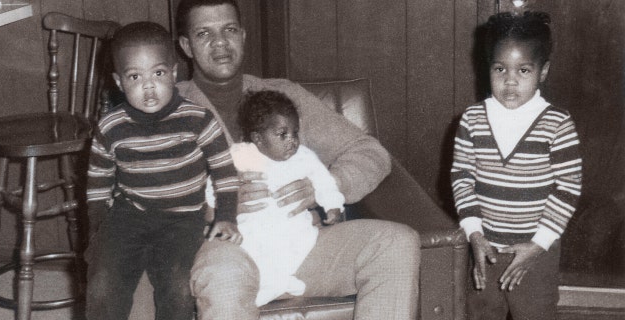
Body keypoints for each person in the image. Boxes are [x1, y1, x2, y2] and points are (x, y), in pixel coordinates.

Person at [175, 0, 421, 319]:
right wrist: (212, 209)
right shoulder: (166, 106)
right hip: (226, 252)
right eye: (204, 33)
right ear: (186, 45)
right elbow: (137, 199)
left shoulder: (283, 95)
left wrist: (327, 187)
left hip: (300, 248)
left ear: (244, 35)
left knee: (396, 242)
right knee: (223, 276)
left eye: (229, 30)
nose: (220, 42)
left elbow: (371, 153)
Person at [84, 22, 240, 320]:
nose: (148, 86)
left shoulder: (198, 119)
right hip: (129, 215)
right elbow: (98, 183)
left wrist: (226, 216)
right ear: (119, 82)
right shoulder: (110, 126)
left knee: (179, 286)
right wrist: (98, 230)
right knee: (102, 284)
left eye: (158, 73)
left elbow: (224, 172)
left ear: (174, 72)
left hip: (183, 218)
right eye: (134, 76)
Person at [451, 11, 583, 320]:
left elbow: (568, 188)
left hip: (537, 251)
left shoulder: (557, 124)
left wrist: (539, 245)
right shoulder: (472, 120)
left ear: (543, 71)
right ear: (488, 69)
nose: (510, 81)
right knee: (480, 314)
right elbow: (462, 178)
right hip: (487, 249)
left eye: (523, 70)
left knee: (535, 313)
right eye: (500, 69)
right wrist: (474, 233)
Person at [206, 90, 345, 307]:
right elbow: (215, 184)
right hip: (251, 228)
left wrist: (333, 205)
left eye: (295, 133)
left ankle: (278, 283)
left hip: (293, 227)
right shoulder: (239, 155)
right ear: (258, 139)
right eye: (282, 134)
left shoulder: (304, 157)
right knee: (248, 250)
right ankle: (272, 285)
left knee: (296, 246)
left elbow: (324, 181)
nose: (292, 141)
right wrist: (219, 204)